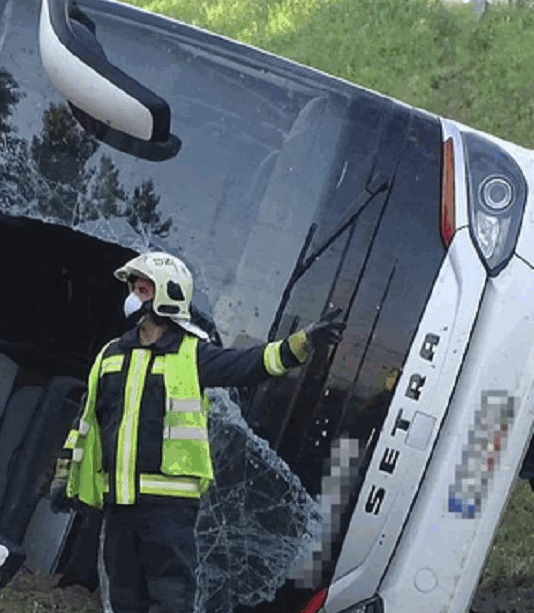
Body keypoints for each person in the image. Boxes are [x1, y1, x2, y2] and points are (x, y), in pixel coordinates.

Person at [50, 251, 346, 613]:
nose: (132, 298)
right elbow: (86, 423)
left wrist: (301, 343)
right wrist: (64, 476)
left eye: (142, 289)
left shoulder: (192, 355)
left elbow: (252, 364)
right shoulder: (111, 354)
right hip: (119, 502)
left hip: (168, 507)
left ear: (165, 296)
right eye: (134, 289)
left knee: (171, 597)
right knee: (123, 595)